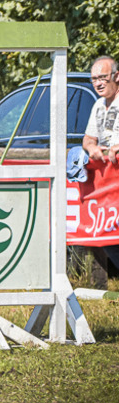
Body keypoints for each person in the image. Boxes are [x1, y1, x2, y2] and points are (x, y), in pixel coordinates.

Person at [81, 55, 119, 287]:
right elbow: (87, 138)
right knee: (105, 235)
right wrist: (92, 147)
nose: (98, 83)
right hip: (107, 186)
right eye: (94, 79)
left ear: (117, 76)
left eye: (103, 77)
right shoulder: (97, 105)